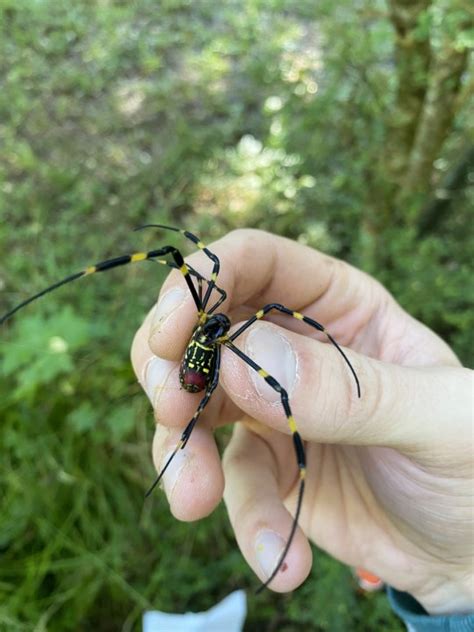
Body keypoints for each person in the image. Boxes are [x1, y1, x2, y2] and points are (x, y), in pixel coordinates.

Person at [131, 229, 474, 629]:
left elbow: (277, 379)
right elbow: (194, 263)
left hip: (200, 375)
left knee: (267, 382)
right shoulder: (210, 316)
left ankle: (184, 455)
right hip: (193, 376)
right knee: (194, 272)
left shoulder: (227, 332)